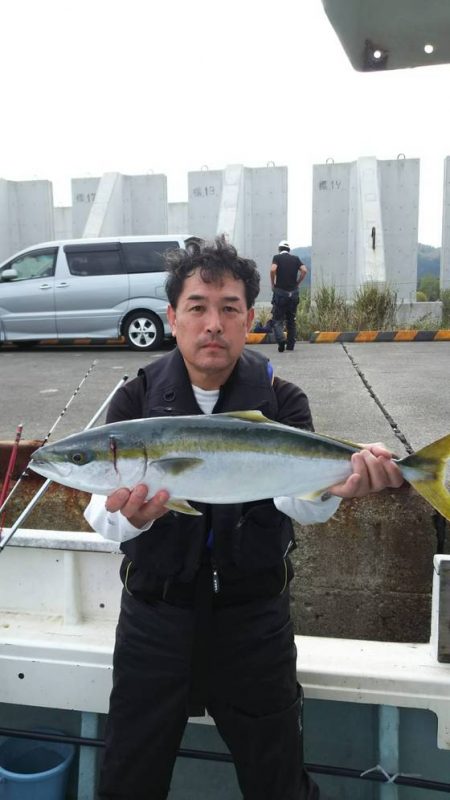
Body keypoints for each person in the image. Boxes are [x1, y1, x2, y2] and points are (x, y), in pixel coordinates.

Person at [84, 236, 404, 800]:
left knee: (276, 782)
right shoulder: (134, 402)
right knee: (128, 779)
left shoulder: (284, 402)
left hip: (254, 623)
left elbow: (298, 505)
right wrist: (130, 519)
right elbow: (101, 516)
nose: (213, 323)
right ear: (172, 318)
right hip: (154, 621)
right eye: (198, 308)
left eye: (229, 309)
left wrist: (338, 486)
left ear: (250, 318)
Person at [270, 240, 308, 352]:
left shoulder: (277, 257)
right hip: (294, 293)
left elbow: (272, 269)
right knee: (291, 320)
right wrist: (298, 282)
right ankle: (290, 345)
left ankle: (281, 340)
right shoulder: (295, 259)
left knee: (277, 319)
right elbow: (304, 270)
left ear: (279, 249)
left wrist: (273, 283)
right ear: (288, 250)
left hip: (280, 293)